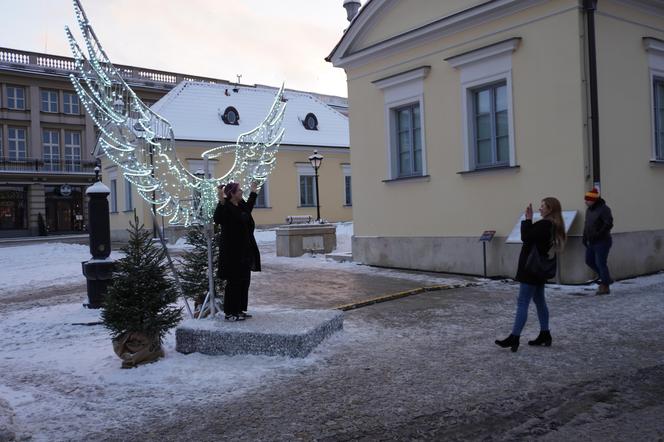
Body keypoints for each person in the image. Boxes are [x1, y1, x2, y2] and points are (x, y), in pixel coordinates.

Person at [495, 198, 566, 352]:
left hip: (531, 268)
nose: (540, 209)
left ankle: (514, 337)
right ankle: (545, 333)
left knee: (523, 302)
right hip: (538, 269)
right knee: (539, 300)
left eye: (543, 207)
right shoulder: (553, 225)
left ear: (550, 209)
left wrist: (527, 220)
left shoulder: (545, 225)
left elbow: (526, 237)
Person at [214, 181, 261, 321]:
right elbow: (217, 218)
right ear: (232, 194)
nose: (241, 192)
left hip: (245, 251)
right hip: (232, 252)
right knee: (233, 282)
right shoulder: (226, 206)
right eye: (239, 190)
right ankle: (230, 313)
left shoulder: (241, 205)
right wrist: (220, 200)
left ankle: (239, 310)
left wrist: (253, 191)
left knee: (244, 281)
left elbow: (249, 207)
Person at [582, 187, 613, 295]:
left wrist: (599, 234)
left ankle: (605, 285)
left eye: (587, 199)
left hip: (602, 241)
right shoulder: (588, 210)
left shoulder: (604, 209)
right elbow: (587, 224)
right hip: (591, 241)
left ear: (593, 200)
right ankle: (606, 279)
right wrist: (584, 236)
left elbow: (608, 223)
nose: (585, 201)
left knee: (600, 263)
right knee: (589, 261)